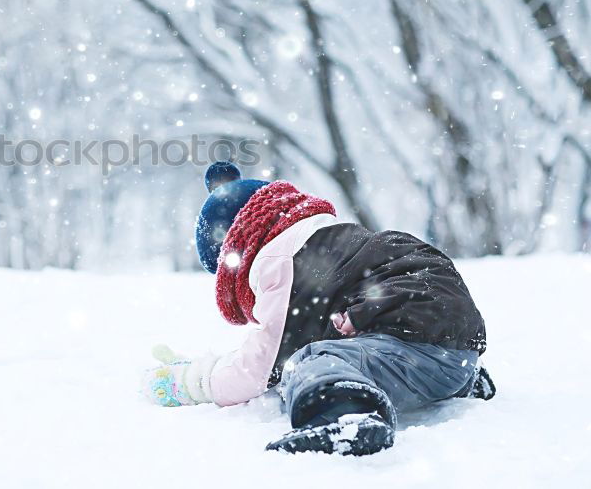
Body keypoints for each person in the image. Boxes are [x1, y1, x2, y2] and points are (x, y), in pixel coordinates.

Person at [142, 162, 495, 456]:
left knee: (311, 360)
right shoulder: (332, 237)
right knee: (352, 350)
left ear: (237, 257)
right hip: (455, 355)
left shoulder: (277, 259)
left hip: (415, 351)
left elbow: (261, 366)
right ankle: (460, 380)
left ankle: (345, 417)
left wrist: (194, 381)